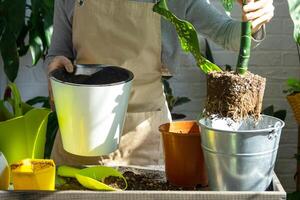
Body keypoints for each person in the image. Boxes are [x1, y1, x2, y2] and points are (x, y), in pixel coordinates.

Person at [47, 0, 274, 166]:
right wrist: (55, 67)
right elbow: (57, 53)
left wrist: (255, 19)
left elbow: (227, 34)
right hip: (81, 134)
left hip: (145, 137)